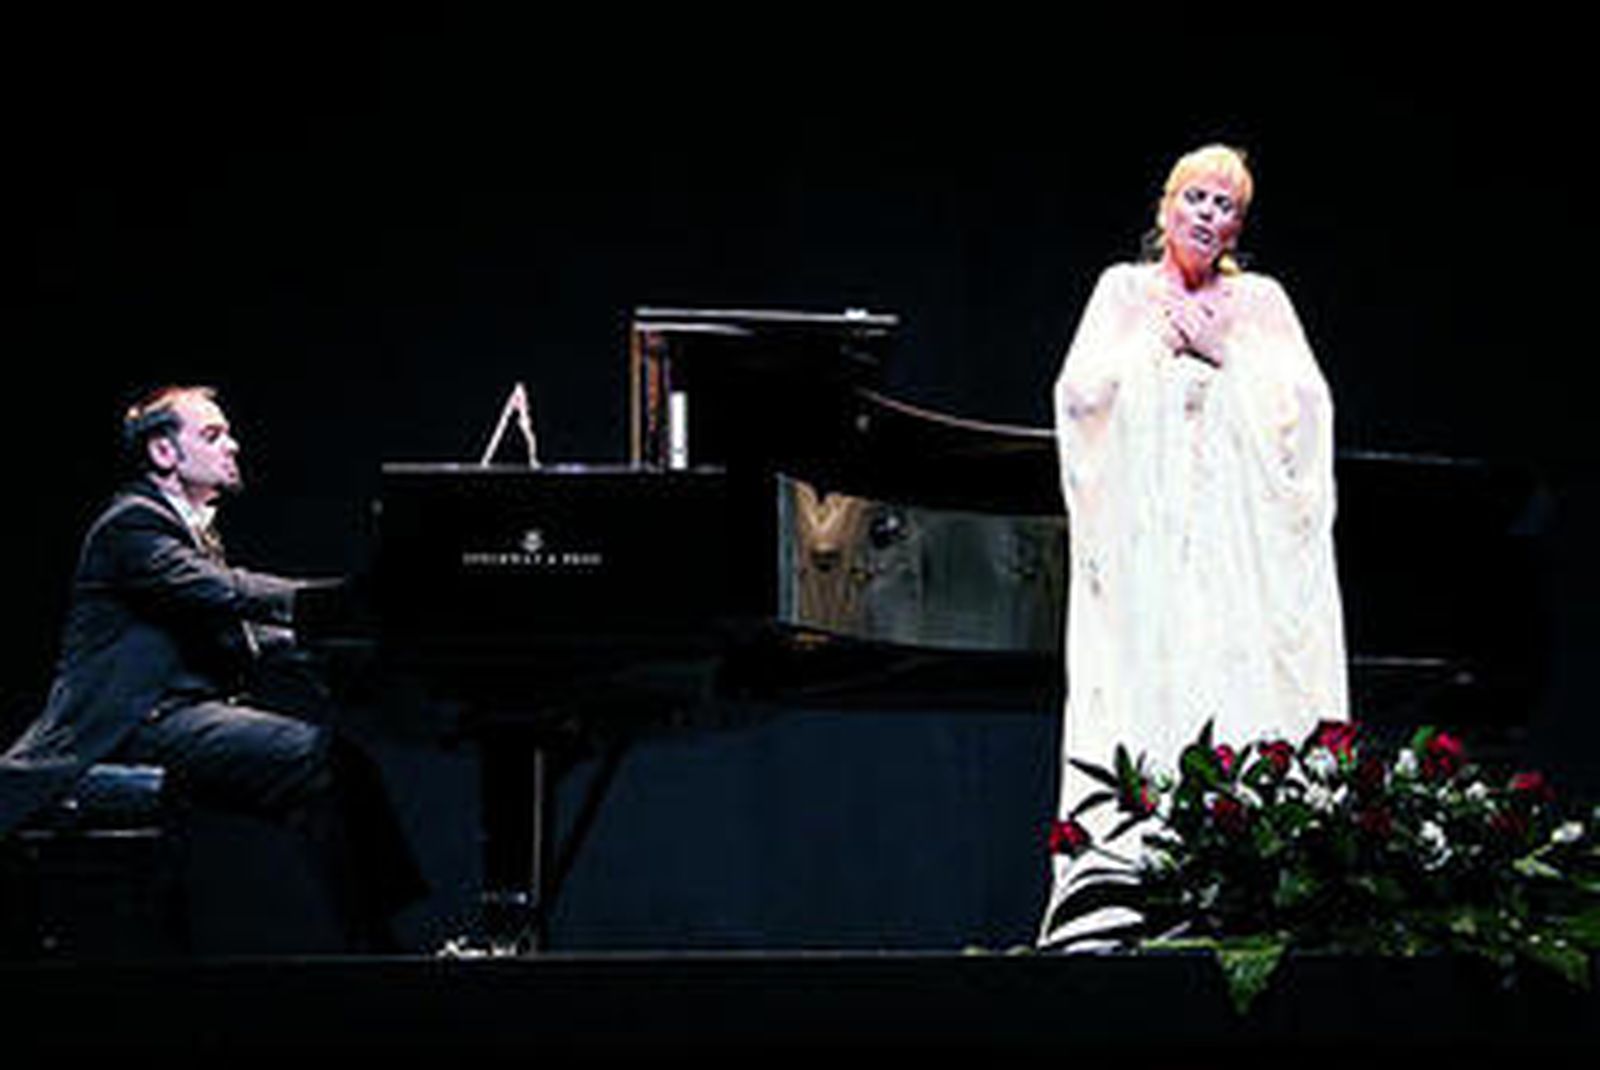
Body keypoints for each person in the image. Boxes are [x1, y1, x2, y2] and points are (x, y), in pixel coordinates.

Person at [1039, 146, 1348, 949]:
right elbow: (1078, 398)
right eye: (1198, 199)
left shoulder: (1262, 303)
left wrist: (1223, 359)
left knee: (1240, 682)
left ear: (1239, 227)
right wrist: (1152, 355)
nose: (1209, 216)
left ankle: (1256, 888)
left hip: (1242, 554)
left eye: (1226, 206)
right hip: (1149, 551)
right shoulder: (1122, 291)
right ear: (1167, 205)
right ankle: (1135, 892)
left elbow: (1308, 412)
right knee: (1151, 688)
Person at [0, 385, 425, 951]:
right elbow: (225, 590)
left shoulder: (185, 529)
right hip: (128, 727)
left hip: (172, 718)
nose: (233, 444)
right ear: (163, 453)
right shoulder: (132, 525)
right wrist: (340, 600)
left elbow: (240, 634)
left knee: (343, 767)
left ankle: (381, 943)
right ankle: (377, 952)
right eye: (212, 434)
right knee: (319, 761)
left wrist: (343, 651)